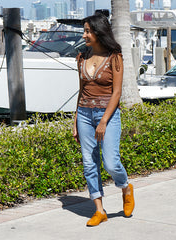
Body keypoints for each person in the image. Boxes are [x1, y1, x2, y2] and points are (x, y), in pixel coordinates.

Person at [73, 13, 135, 227]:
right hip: (83, 114)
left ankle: (125, 186)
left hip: (106, 115)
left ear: (99, 33)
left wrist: (103, 121)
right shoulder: (82, 56)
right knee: (89, 164)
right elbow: (80, 91)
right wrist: (75, 121)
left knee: (110, 162)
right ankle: (99, 210)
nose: (84, 35)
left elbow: (116, 93)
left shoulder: (115, 56)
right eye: (85, 31)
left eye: (88, 31)